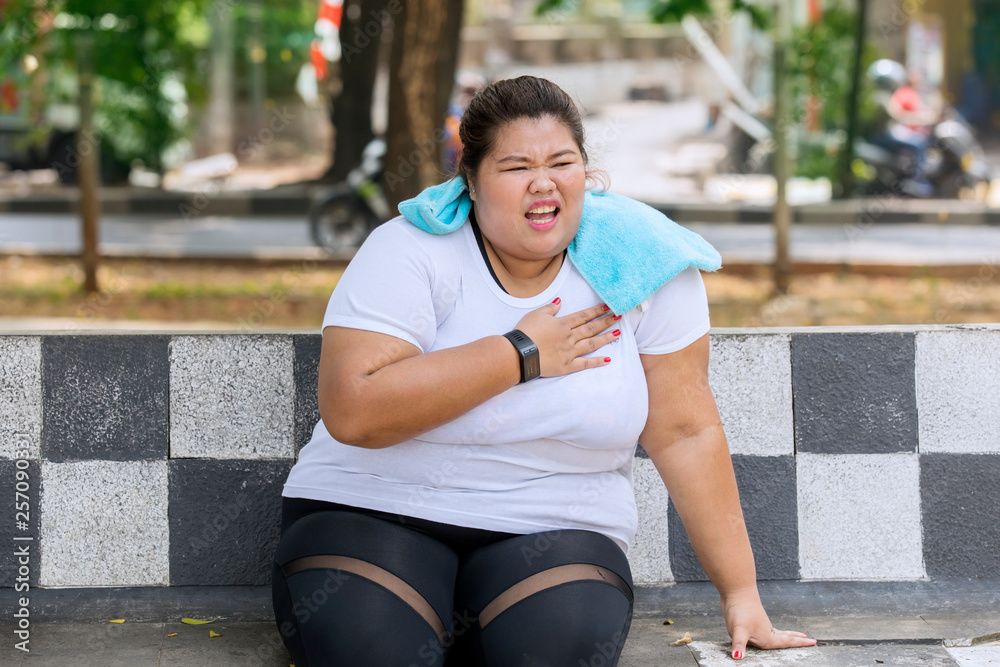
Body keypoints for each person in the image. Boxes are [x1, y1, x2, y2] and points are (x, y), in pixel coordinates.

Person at [272, 75, 816, 666]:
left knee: (552, 652)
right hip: (374, 511)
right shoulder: (410, 249)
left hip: (552, 526)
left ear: (587, 173)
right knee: (375, 651)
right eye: (514, 167)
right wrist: (519, 353)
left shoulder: (643, 266)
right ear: (471, 182)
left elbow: (686, 431)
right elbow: (354, 410)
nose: (543, 182)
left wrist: (740, 593)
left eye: (562, 161)